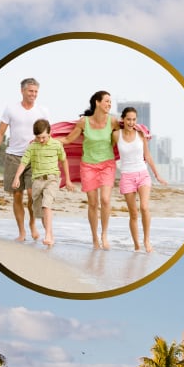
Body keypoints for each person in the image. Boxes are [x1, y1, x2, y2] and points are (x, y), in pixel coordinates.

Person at [0, 77, 48, 242]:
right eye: (30, 91)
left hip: (34, 158)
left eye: (35, 91)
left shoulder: (42, 111)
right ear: (22, 91)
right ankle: (21, 232)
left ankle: (32, 224)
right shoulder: (11, 109)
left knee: (32, 194)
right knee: (17, 195)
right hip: (13, 156)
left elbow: (49, 135)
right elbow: (0, 133)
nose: (33, 94)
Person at [60, 91, 117, 250]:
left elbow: (126, 133)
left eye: (110, 102)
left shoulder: (112, 122)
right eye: (106, 101)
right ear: (97, 103)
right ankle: (94, 239)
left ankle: (104, 235)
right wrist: (46, 141)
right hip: (88, 166)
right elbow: (68, 139)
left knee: (105, 200)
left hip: (107, 164)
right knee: (93, 203)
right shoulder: (83, 122)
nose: (109, 104)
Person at [12, 119, 77, 246]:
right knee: (40, 212)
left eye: (43, 137)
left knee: (46, 205)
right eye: (38, 137)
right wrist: (16, 177)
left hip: (52, 179)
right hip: (37, 181)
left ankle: (47, 235)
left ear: (50, 133)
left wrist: (68, 180)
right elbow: (24, 162)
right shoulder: (32, 147)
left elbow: (64, 161)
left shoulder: (57, 145)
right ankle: (50, 235)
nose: (41, 140)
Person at [112, 107, 166, 252]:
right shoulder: (116, 135)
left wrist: (157, 175)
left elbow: (147, 156)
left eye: (134, 119)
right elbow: (108, 153)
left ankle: (147, 241)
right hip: (126, 176)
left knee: (144, 207)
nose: (131, 122)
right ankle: (137, 245)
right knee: (133, 213)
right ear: (123, 119)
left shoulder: (141, 134)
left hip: (142, 174)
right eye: (128, 119)